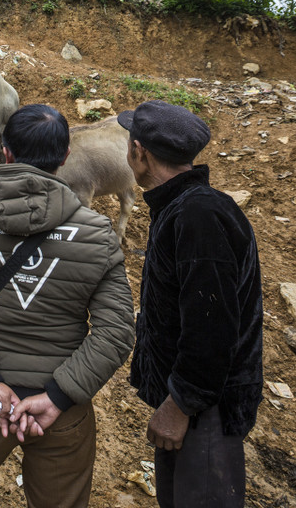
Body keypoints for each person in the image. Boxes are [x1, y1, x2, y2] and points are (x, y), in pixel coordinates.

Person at [0, 104, 135, 508]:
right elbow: (117, 330)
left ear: (5, 153)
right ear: (66, 157)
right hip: (62, 408)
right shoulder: (97, 233)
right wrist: (59, 396)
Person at [119, 100, 262, 507]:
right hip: (197, 406)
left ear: (138, 152)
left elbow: (211, 326)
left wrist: (179, 405)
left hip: (205, 413)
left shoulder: (196, 216)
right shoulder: (186, 206)